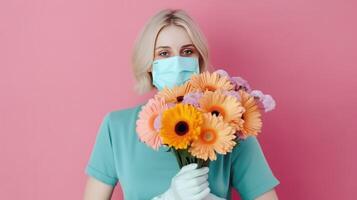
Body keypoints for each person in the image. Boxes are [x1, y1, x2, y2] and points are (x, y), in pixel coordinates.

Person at [83, 9, 280, 200]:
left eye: (187, 51)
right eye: (164, 53)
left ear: (199, 60)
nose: (177, 62)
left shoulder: (230, 126)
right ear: (149, 63)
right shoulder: (117, 128)